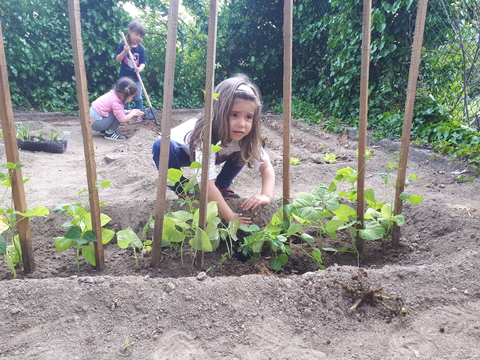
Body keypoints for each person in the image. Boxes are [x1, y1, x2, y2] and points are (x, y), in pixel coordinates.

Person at [152, 74, 275, 225]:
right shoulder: (205, 134)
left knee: (244, 150)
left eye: (248, 117)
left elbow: (266, 167)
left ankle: (223, 185)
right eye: (234, 115)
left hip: (221, 154)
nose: (242, 124)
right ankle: (184, 190)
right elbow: (205, 183)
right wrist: (230, 216)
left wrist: (266, 195)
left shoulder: (245, 138)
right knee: (161, 146)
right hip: (182, 152)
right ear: (219, 113)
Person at [115, 20, 146, 122]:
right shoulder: (123, 45)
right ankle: (124, 114)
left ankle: (139, 115)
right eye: (136, 34)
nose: (138, 38)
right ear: (129, 31)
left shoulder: (141, 49)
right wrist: (124, 51)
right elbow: (118, 59)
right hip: (125, 79)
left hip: (136, 78)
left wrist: (140, 68)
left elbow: (143, 62)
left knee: (138, 97)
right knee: (125, 96)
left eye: (140, 36)